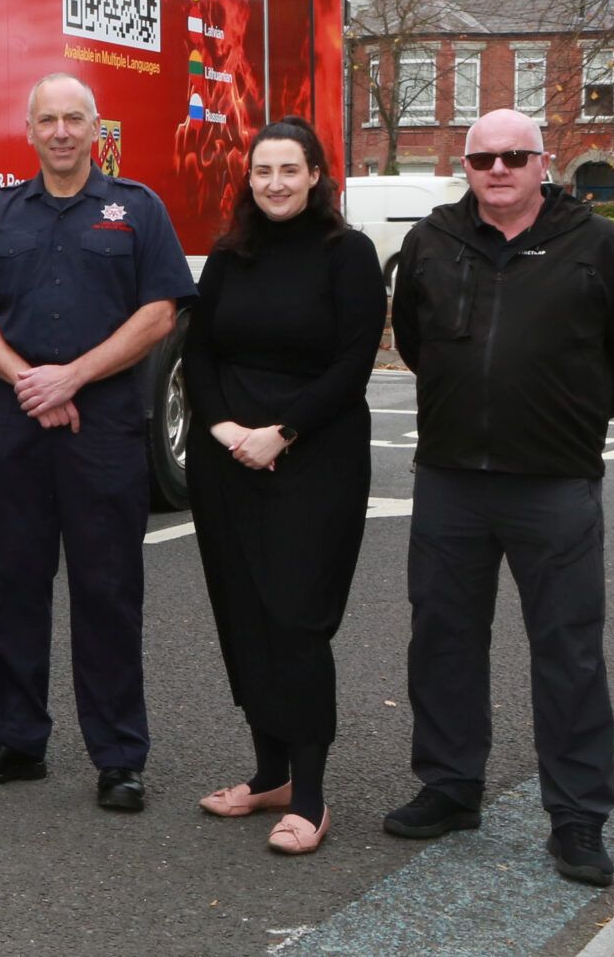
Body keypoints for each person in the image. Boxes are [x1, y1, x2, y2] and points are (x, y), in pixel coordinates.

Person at [387, 108, 614, 887]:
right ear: (465, 166)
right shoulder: (431, 243)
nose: (499, 170)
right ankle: (449, 787)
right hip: (450, 480)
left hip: (554, 483)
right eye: (484, 159)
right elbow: (413, 341)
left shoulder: (601, 247)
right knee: (441, 640)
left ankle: (578, 816)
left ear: (545, 162)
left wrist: (570, 414)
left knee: (568, 650)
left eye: (515, 157)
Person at [0, 73, 193, 811]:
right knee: (11, 583)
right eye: (47, 119)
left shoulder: (136, 210)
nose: (60, 131)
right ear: (29, 131)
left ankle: (118, 756)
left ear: (96, 130)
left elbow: (159, 313)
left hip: (105, 428)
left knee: (107, 588)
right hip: (19, 425)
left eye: (73, 119)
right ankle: (14, 739)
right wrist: (30, 381)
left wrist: (71, 379)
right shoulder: (1, 213)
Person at [183, 118, 386, 854]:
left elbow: (352, 364)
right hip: (228, 458)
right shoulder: (231, 255)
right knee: (244, 613)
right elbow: (197, 349)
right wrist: (221, 429)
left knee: (296, 619)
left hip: (315, 458)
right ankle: (268, 774)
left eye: (289, 170)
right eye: (263, 170)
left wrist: (281, 432)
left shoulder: (348, 254)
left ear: (315, 176)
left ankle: (311, 793)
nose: (274, 183)